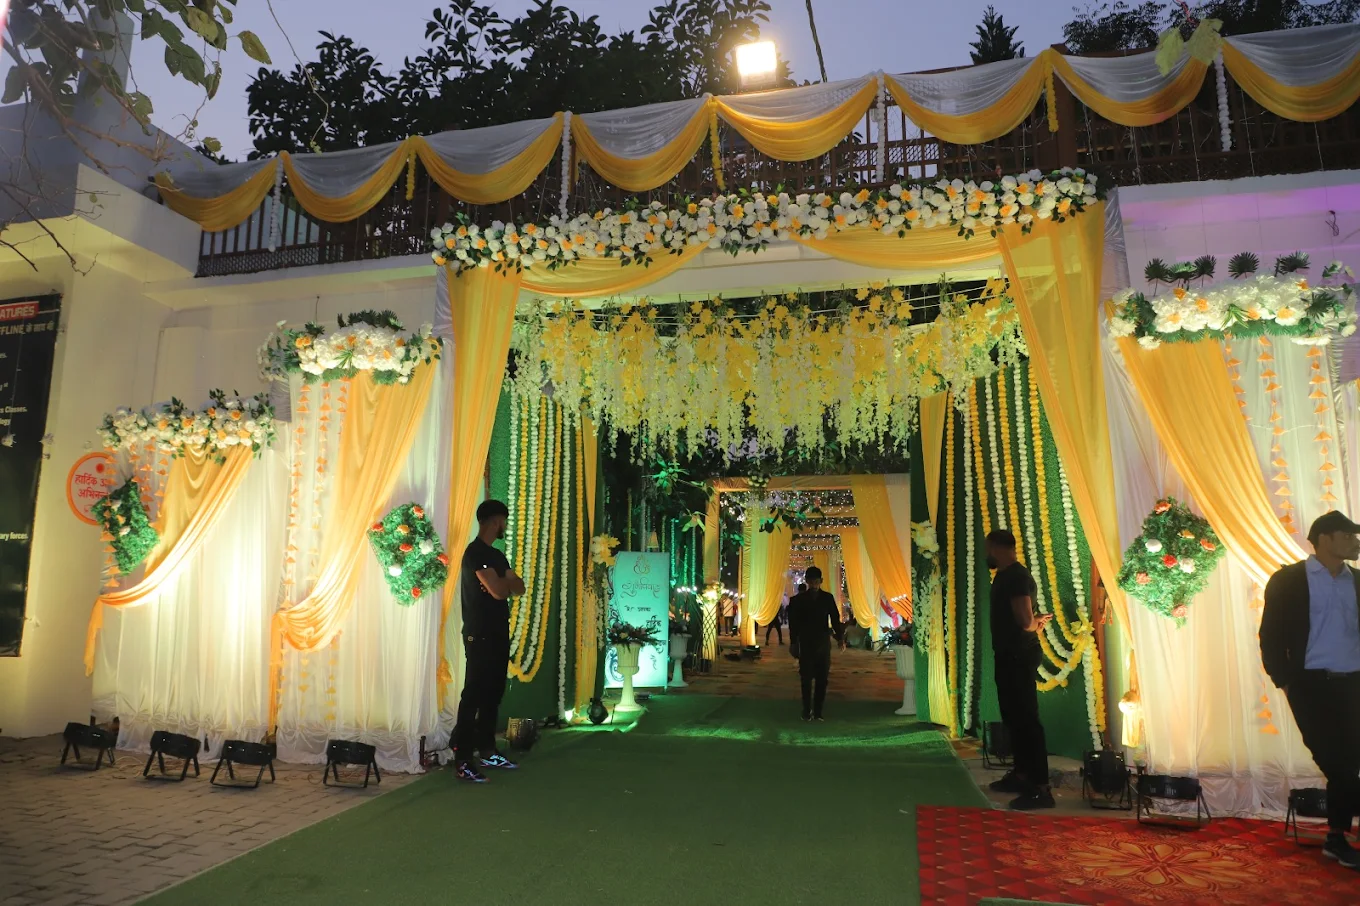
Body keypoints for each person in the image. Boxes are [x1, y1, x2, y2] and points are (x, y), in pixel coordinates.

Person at [1261, 511, 1360, 869]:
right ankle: (1338, 837)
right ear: (1324, 539)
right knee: (1336, 762)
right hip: (1311, 686)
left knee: (1349, 763)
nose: (1355, 542)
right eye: (1348, 536)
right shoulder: (1289, 580)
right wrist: (1285, 681)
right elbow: (1269, 636)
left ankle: (1336, 838)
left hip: (1354, 685)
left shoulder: (1358, 581)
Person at [453, 499, 526, 783]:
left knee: (493, 694)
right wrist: (503, 581)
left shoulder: (497, 556)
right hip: (479, 633)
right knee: (473, 695)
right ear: (495, 521)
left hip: (498, 632)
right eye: (504, 521)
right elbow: (498, 590)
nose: (505, 526)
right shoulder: (475, 553)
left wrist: (504, 581)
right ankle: (462, 758)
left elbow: (517, 587)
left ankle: (487, 750)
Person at [984, 530, 1055, 810]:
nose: (986, 554)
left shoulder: (1015, 577)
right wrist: (1034, 622)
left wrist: (1035, 622)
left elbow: (1025, 621)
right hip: (1009, 654)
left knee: (1026, 721)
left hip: (1019, 655)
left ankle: (1041, 787)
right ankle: (1022, 775)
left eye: (988, 548)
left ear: (996, 548)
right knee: (1014, 718)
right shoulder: (1006, 575)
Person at [787, 567, 844, 721]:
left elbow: (835, 618)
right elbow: (794, 624)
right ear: (806, 581)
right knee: (805, 678)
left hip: (823, 643)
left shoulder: (827, 598)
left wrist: (840, 638)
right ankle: (806, 710)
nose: (814, 585)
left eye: (816, 582)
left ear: (821, 581)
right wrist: (793, 643)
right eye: (811, 582)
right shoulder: (797, 600)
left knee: (822, 678)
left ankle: (818, 711)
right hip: (805, 643)